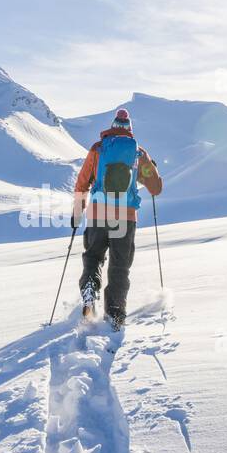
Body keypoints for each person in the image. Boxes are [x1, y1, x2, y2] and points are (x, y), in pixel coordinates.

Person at [71, 106, 162, 328]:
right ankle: (115, 313)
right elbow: (156, 188)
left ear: (112, 127)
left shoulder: (98, 148)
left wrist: (76, 212)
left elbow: (82, 182)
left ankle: (90, 293)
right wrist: (152, 171)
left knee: (93, 257)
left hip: (98, 214)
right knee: (120, 266)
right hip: (125, 217)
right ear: (129, 130)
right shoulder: (139, 153)